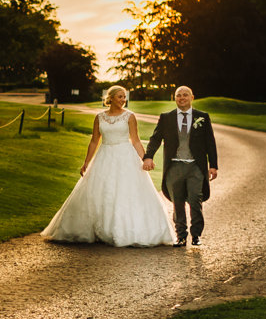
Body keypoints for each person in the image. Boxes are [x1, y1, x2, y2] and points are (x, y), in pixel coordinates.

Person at [41, 85, 173, 247]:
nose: (123, 100)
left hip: (125, 156)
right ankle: (98, 230)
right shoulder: (99, 117)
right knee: (100, 192)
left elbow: (136, 140)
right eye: (120, 96)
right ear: (110, 98)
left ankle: (124, 230)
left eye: (124, 97)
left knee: (124, 192)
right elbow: (94, 141)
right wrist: (86, 162)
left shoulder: (129, 116)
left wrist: (146, 158)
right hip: (104, 155)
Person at [142, 85, 219, 247]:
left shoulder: (202, 117)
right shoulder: (166, 117)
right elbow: (155, 139)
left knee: (195, 200)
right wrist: (148, 156)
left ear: (192, 97)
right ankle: (181, 236)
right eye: (178, 95)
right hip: (174, 167)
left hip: (195, 167)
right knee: (177, 202)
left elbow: (210, 143)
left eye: (185, 95)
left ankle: (196, 235)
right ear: (174, 98)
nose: (182, 98)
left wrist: (213, 165)